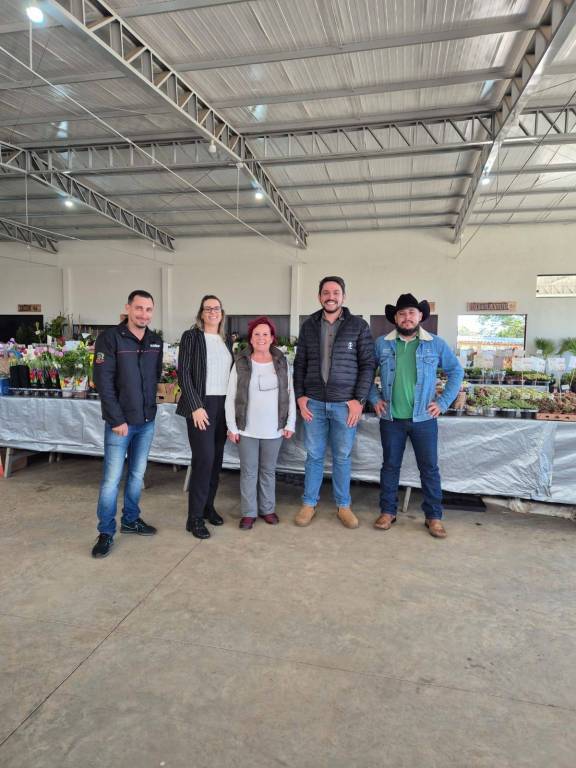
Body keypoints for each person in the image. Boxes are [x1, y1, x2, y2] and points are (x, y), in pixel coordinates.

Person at [369, 293, 464, 538]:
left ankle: (433, 517)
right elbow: (365, 373)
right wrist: (374, 399)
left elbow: (456, 371)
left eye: (411, 312)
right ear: (395, 318)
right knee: (390, 466)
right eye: (402, 313)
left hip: (424, 419)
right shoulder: (382, 344)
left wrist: (442, 403)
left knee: (429, 468)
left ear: (420, 316)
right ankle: (387, 512)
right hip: (391, 418)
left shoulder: (436, 344)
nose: (407, 317)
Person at [293, 276, 375, 528]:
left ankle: (343, 505)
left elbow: (368, 365)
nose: (331, 296)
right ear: (319, 296)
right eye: (326, 292)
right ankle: (309, 503)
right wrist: (300, 396)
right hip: (314, 404)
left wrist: (359, 400)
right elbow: (300, 363)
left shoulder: (358, 326)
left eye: (336, 292)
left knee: (342, 456)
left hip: (345, 406)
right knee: (314, 456)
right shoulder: (308, 325)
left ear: (343, 297)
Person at [91, 290, 162, 558]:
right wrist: (116, 418)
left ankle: (131, 520)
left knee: (136, 476)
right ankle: (106, 532)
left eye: (148, 309)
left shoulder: (155, 341)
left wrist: (150, 411)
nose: (144, 314)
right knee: (111, 480)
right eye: (139, 308)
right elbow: (103, 382)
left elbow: (154, 377)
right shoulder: (110, 339)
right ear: (128, 308)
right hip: (120, 424)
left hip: (146, 421)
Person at [225, 316, 296, 530]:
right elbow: (231, 396)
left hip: (274, 428)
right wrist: (232, 426)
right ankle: (249, 512)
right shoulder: (241, 362)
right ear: (251, 338)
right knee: (249, 472)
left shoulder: (281, 362)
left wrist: (290, 423)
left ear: (272, 338)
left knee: (268, 471)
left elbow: (290, 393)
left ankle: (267, 509)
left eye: (265, 334)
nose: (261, 338)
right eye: (257, 334)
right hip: (247, 428)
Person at [177, 295, 232, 539]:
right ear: (201, 313)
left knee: (216, 461)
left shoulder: (225, 340)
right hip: (201, 405)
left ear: (222, 313)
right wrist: (195, 406)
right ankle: (194, 518)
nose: (212, 312)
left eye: (216, 308)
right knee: (204, 460)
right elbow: (184, 374)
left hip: (222, 406)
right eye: (207, 308)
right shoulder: (191, 337)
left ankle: (208, 507)